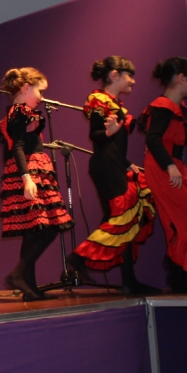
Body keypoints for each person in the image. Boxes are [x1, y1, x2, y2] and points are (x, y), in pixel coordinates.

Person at [66, 56, 158, 294]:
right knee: (122, 217)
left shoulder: (115, 104)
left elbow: (113, 146)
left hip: (114, 165)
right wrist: (109, 132)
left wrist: (126, 163)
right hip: (105, 167)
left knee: (125, 219)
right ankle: (80, 258)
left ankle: (128, 281)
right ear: (114, 75)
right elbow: (96, 136)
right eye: (130, 76)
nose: (133, 81)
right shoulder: (99, 100)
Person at [139, 57, 187, 292]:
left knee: (185, 221)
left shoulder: (172, 107)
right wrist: (169, 166)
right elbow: (153, 138)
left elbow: (181, 129)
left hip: (172, 167)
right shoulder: (163, 106)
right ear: (181, 78)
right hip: (165, 168)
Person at [0, 67, 73, 301]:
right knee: (47, 230)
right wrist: (27, 177)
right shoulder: (19, 112)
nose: (42, 97)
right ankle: (17, 275)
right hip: (29, 171)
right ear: (26, 88)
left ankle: (29, 289)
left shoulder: (21, 112)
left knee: (33, 231)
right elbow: (17, 147)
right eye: (40, 91)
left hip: (32, 169)